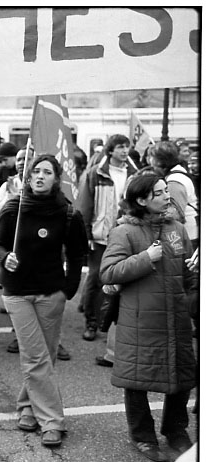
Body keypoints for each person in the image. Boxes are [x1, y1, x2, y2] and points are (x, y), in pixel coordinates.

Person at [99, 173, 197, 462]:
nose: (167, 196)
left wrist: (193, 287)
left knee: (182, 377)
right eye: (158, 193)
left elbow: (189, 274)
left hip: (177, 319)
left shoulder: (177, 228)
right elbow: (108, 272)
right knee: (137, 382)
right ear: (141, 200)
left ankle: (176, 431)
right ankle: (143, 436)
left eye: (166, 190)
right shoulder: (124, 232)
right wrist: (145, 257)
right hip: (139, 321)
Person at [0, 154, 88, 448]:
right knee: (35, 357)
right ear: (28, 176)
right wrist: (3, 258)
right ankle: (52, 421)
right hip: (18, 293)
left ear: (57, 179)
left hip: (51, 293)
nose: (41, 176)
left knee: (44, 356)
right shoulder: (13, 209)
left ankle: (26, 407)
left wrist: (67, 291)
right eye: (36, 171)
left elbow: (76, 255)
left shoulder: (69, 214)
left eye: (47, 172)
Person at [77, 134, 137, 341]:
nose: (124, 151)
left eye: (126, 147)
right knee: (96, 279)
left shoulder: (134, 174)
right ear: (110, 150)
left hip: (125, 236)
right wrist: (86, 234)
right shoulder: (96, 174)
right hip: (100, 236)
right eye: (120, 147)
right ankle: (91, 322)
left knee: (122, 279)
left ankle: (110, 322)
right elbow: (84, 205)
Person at [148, 141, 199, 248]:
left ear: (160, 161)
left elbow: (173, 214)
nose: (150, 162)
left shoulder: (174, 181)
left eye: (151, 158)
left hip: (186, 236)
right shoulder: (178, 174)